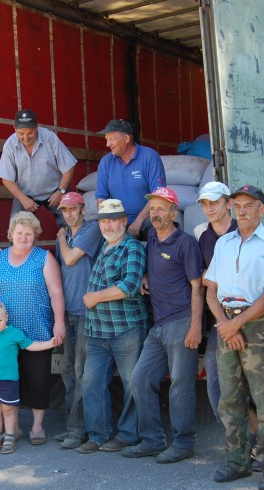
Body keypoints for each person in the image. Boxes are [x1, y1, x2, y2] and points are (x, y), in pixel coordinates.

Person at [204, 184, 264, 490]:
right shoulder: (224, 243)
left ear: (261, 209)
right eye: (237, 206)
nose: (241, 211)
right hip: (226, 322)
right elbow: (210, 289)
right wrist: (225, 323)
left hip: (257, 325)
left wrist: (237, 323)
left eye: (249, 205)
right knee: (230, 398)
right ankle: (237, 461)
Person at [124, 187, 203, 463]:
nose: (156, 214)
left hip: (181, 322)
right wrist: (145, 274)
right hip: (157, 326)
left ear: (174, 212)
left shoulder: (185, 243)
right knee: (140, 379)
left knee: (180, 385)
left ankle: (183, 443)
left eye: (161, 209)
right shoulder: (153, 239)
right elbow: (153, 265)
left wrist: (196, 326)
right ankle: (152, 439)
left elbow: (197, 287)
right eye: (153, 209)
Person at [0, 211, 66, 445]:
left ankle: (37, 426)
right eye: (19, 233)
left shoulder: (44, 258)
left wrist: (59, 321)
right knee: (8, 379)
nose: (24, 237)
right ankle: (12, 429)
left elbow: (56, 292)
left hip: (36, 329)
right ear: (10, 234)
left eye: (29, 233)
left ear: (34, 236)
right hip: (2, 334)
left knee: (38, 378)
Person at [77, 199, 148, 454]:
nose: (107, 226)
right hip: (98, 332)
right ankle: (98, 434)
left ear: (124, 222)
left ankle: (129, 435)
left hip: (125, 329)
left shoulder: (132, 248)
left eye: (112, 220)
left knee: (132, 383)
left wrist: (95, 297)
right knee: (91, 383)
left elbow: (130, 286)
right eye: (104, 221)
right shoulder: (105, 247)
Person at [0, 301, 59, 454]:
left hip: (8, 380)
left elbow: (31, 346)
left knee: (8, 409)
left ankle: (10, 437)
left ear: (7, 317)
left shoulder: (14, 333)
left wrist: (49, 344)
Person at [52, 192, 104, 450]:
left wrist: (60, 238)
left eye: (73, 209)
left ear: (83, 209)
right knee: (65, 370)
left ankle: (78, 430)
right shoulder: (67, 236)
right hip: (66, 314)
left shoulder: (91, 229)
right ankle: (72, 426)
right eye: (64, 210)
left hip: (86, 314)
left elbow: (71, 258)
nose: (69, 214)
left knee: (82, 372)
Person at [194, 181, 236, 421]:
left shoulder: (242, 230)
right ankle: (228, 426)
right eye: (205, 204)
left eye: (215, 203)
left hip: (247, 313)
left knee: (246, 376)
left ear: (228, 203)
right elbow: (202, 277)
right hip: (219, 314)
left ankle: (257, 435)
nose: (209, 208)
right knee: (212, 366)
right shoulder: (202, 234)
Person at [0, 109, 78, 226]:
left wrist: (61, 191)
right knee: (17, 228)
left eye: (30, 133)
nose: (25, 138)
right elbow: (7, 179)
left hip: (56, 190)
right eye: (21, 133)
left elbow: (69, 166)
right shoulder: (10, 144)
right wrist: (23, 199)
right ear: (14, 128)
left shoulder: (50, 137)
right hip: (25, 194)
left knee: (71, 224)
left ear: (37, 127)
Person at [95, 119, 165, 240]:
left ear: (126, 139)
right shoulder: (106, 162)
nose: (107, 144)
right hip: (117, 219)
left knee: (157, 224)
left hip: (145, 218)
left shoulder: (149, 157)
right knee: (93, 231)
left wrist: (138, 221)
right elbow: (101, 198)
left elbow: (158, 195)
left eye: (111, 139)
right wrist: (111, 222)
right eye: (106, 139)